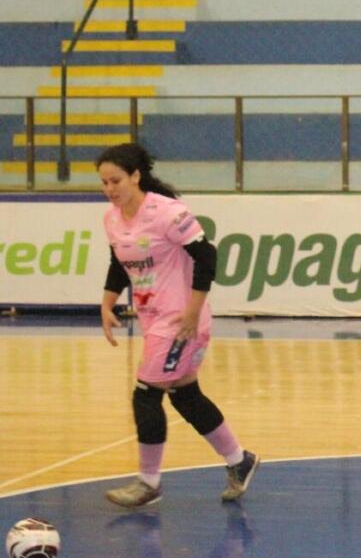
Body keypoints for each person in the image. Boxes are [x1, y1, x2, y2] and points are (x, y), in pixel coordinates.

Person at [97, 143, 258, 508]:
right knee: (185, 395)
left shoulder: (167, 213)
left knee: (146, 393)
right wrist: (107, 303)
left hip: (181, 320)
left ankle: (149, 483)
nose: (110, 189)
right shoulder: (112, 218)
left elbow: (207, 256)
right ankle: (239, 460)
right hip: (154, 319)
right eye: (104, 183)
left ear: (135, 176)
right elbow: (118, 262)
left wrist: (192, 312)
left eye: (116, 181)